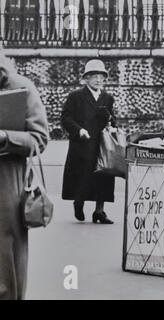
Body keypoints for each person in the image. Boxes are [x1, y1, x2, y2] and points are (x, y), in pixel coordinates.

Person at [0, 50, 49, 299]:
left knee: (5, 271)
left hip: (6, 189)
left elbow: (40, 138)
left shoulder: (21, 87)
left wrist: (7, 138)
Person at [61, 59, 116, 224]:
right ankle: (79, 202)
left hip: (102, 144)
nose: (99, 80)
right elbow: (66, 117)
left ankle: (99, 211)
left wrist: (113, 126)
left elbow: (112, 118)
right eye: (94, 76)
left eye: (101, 76)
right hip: (82, 144)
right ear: (86, 78)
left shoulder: (107, 98)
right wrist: (79, 130)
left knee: (104, 175)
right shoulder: (76, 96)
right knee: (83, 175)